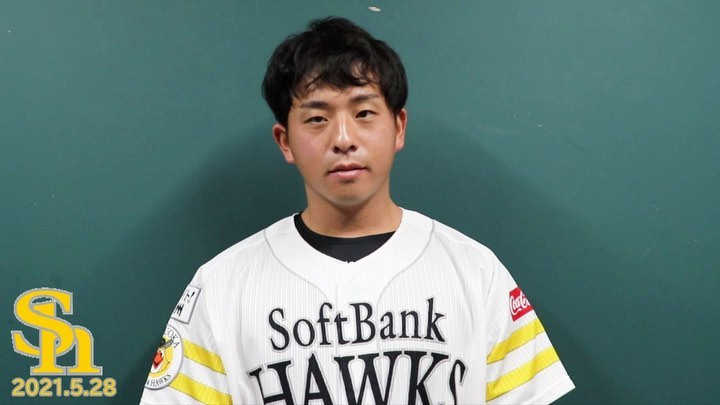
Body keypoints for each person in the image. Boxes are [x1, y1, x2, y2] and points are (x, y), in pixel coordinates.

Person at [140, 17, 574, 405]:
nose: (344, 139)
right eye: (317, 119)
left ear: (398, 127)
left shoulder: (475, 271)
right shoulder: (221, 285)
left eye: (364, 112)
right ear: (285, 141)